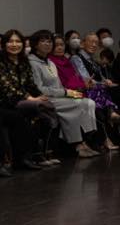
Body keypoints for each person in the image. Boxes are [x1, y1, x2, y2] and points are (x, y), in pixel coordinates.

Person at [27, 30, 102, 158]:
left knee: (85, 100)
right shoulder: (32, 62)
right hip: (46, 98)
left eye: (49, 41)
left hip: (59, 95)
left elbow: (59, 85)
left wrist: (71, 93)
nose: (47, 44)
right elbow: (40, 88)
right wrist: (66, 92)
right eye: (43, 41)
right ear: (35, 44)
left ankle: (84, 140)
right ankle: (78, 144)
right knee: (77, 104)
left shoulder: (49, 62)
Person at [0, 30, 57, 171]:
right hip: (5, 102)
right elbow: (7, 87)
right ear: (4, 44)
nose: (14, 44)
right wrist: (30, 98)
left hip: (19, 102)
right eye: (10, 41)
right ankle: (21, 160)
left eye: (18, 41)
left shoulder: (24, 61)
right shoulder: (1, 61)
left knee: (43, 112)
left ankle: (35, 156)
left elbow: (30, 84)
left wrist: (40, 96)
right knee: (20, 116)